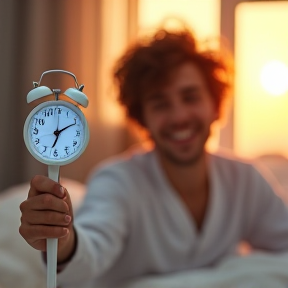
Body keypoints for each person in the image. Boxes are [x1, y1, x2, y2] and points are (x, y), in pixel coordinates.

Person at [19, 27, 288, 288]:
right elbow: (90, 250)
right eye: (161, 104)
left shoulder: (245, 178)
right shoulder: (117, 180)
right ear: (143, 118)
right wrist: (60, 237)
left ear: (215, 105)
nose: (179, 116)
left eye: (190, 97)